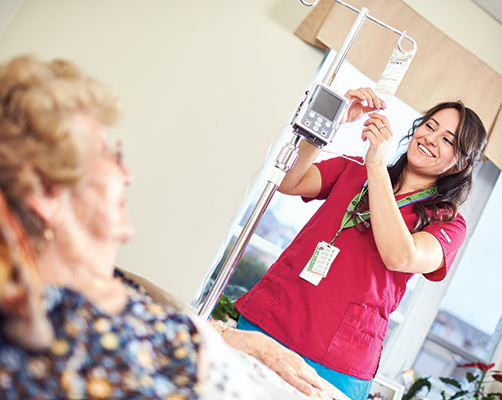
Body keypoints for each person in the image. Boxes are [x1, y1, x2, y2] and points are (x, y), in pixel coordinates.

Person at [0, 54, 348, 400]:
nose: (128, 174)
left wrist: (231, 338)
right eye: (108, 155)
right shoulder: (59, 332)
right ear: (44, 192)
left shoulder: (101, 287)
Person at [235, 87, 488, 399]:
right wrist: (333, 121)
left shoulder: (447, 222)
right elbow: (289, 181)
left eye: (448, 140)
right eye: (429, 126)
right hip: (273, 316)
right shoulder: (353, 170)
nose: (431, 139)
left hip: (337, 358)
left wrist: (378, 166)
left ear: (461, 164)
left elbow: (400, 256)